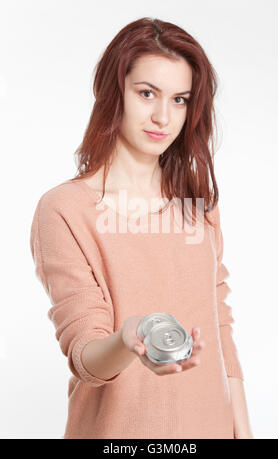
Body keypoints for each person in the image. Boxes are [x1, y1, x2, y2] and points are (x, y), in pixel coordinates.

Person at [30, 17, 253, 439]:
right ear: (114, 93)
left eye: (180, 99)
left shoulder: (199, 202)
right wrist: (127, 341)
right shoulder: (65, 210)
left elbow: (219, 323)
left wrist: (243, 430)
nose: (162, 117)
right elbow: (85, 356)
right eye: (146, 93)